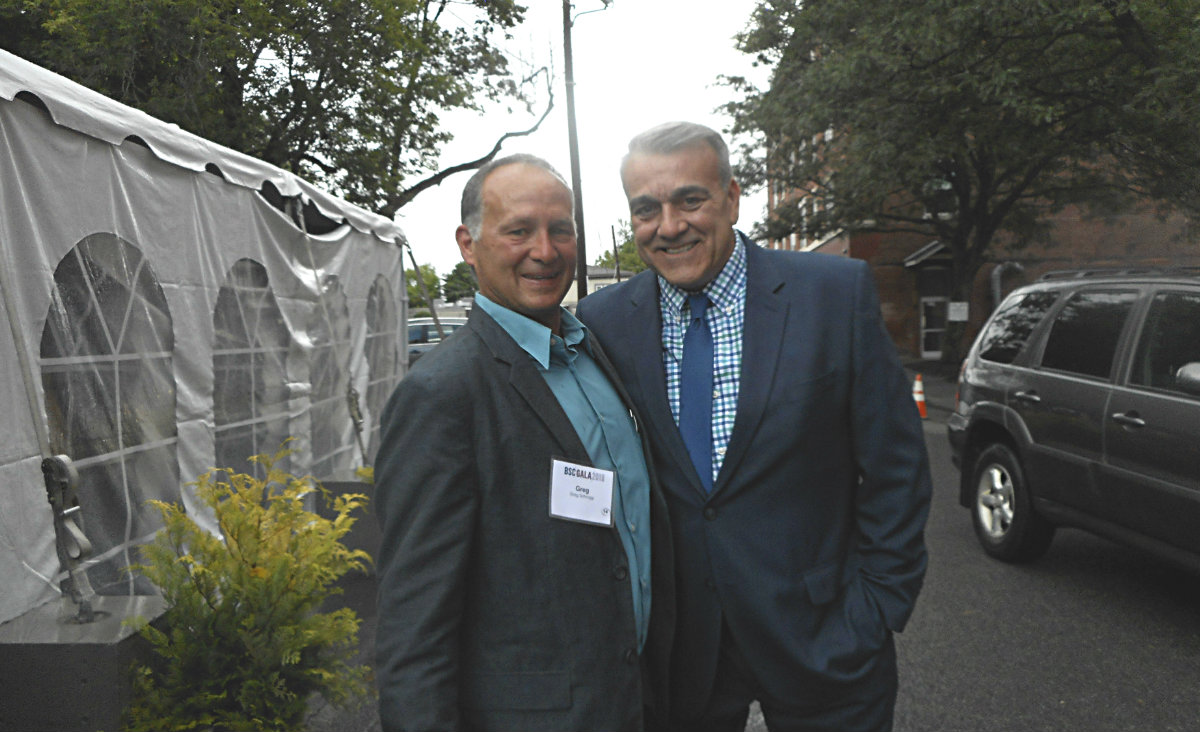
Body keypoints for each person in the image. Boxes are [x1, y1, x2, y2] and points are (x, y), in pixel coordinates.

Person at [576, 122, 932, 732]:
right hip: (684, 649)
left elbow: (895, 465)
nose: (669, 225)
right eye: (646, 209)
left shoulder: (833, 293)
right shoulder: (604, 320)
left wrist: (876, 606)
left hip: (827, 637)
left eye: (691, 199)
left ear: (733, 198)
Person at [373, 153, 674, 732]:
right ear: (468, 243)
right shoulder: (442, 395)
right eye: (519, 230)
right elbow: (414, 626)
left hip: (636, 701)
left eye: (560, 230)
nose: (545, 250)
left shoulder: (594, 353)